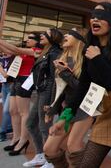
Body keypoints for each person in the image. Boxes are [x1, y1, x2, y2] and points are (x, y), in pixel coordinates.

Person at [51, 2, 111, 167]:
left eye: (100, 16)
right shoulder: (89, 48)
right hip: (105, 107)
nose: (94, 19)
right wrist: (64, 118)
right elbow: (83, 86)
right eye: (93, 16)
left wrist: (98, 59)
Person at [42, 28, 92, 167]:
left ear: (79, 39)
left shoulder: (86, 60)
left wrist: (65, 73)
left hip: (86, 106)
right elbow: (58, 88)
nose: (65, 35)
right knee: (49, 149)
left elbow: (83, 89)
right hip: (68, 108)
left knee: (73, 145)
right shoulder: (62, 59)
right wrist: (52, 108)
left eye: (70, 33)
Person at [25, 28, 63, 168]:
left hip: (47, 91)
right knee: (30, 123)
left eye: (45, 34)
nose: (41, 35)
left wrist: (53, 102)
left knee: (44, 125)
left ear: (52, 38)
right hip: (41, 90)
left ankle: (50, 159)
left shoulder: (55, 53)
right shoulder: (45, 52)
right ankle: (40, 154)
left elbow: (55, 79)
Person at [0, 33, 42, 156]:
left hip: (26, 80)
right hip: (17, 79)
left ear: (37, 41)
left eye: (30, 38)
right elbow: (7, 49)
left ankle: (23, 140)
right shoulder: (25, 51)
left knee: (23, 112)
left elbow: (15, 49)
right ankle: (16, 138)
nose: (27, 39)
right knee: (13, 110)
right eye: (27, 37)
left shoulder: (36, 50)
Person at [0, 53, 15, 141]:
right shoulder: (2, 59)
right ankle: (9, 128)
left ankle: (2, 132)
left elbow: (6, 75)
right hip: (4, 86)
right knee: (7, 110)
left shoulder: (15, 59)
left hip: (12, 86)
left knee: (6, 110)